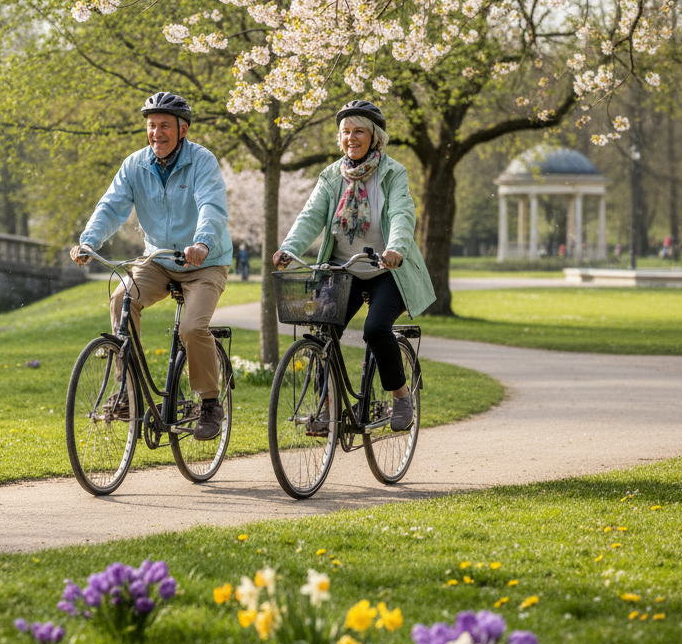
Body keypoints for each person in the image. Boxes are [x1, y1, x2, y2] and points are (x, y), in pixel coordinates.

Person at [71, 92, 233, 441]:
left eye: (164, 126)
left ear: (183, 129)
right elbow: (111, 207)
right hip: (158, 259)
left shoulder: (202, 161)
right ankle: (128, 392)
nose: (157, 133)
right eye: (151, 126)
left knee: (192, 328)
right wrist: (89, 241)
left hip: (205, 262)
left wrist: (203, 242)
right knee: (121, 300)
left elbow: (212, 206)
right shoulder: (135, 165)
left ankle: (209, 402)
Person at [272, 100, 435, 432]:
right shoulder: (332, 176)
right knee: (322, 333)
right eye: (345, 132)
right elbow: (311, 216)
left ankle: (401, 396)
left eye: (359, 131)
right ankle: (327, 407)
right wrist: (289, 247)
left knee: (376, 329)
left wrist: (395, 248)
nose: (351, 138)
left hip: (386, 271)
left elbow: (402, 215)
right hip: (342, 269)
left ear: (374, 137)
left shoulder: (392, 172)